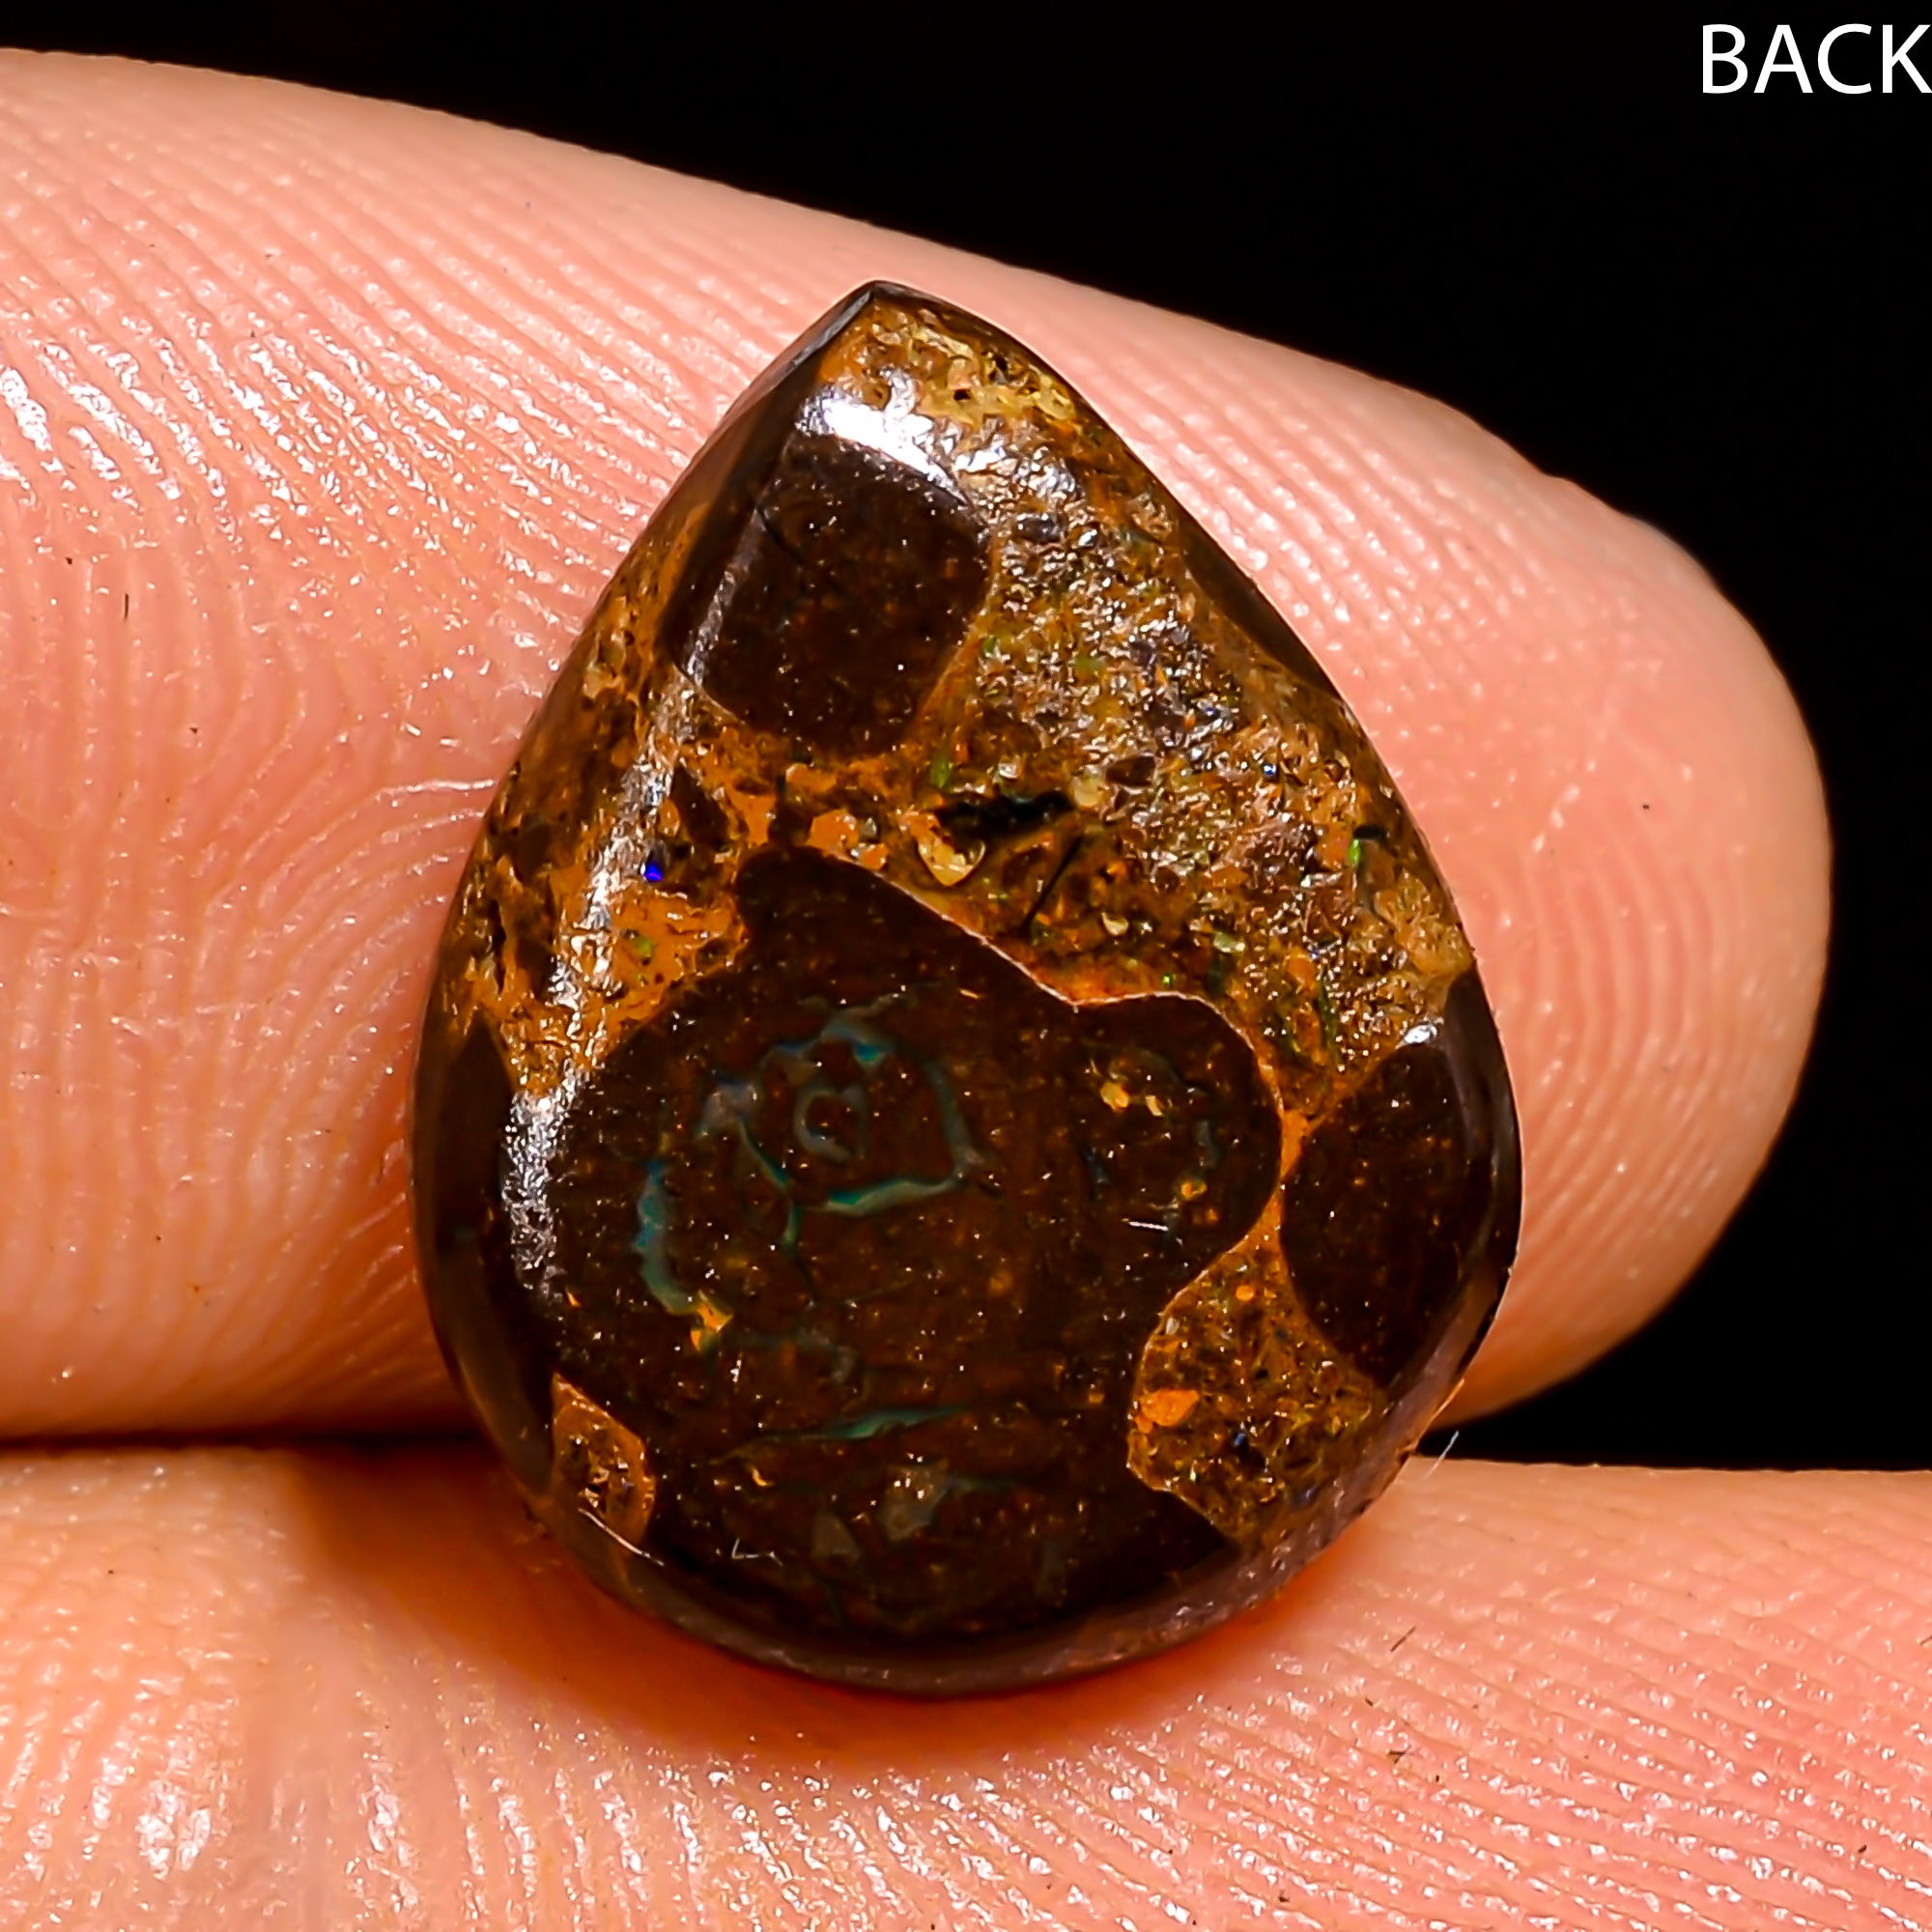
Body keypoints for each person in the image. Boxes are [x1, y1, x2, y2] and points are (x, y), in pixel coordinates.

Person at [1, 51, 1914, 1931]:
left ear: (1148, 1136)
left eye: (833, 1102)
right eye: (695, 1062)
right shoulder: (657, 1368)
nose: (727, 1153)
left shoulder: (1154, 1359)